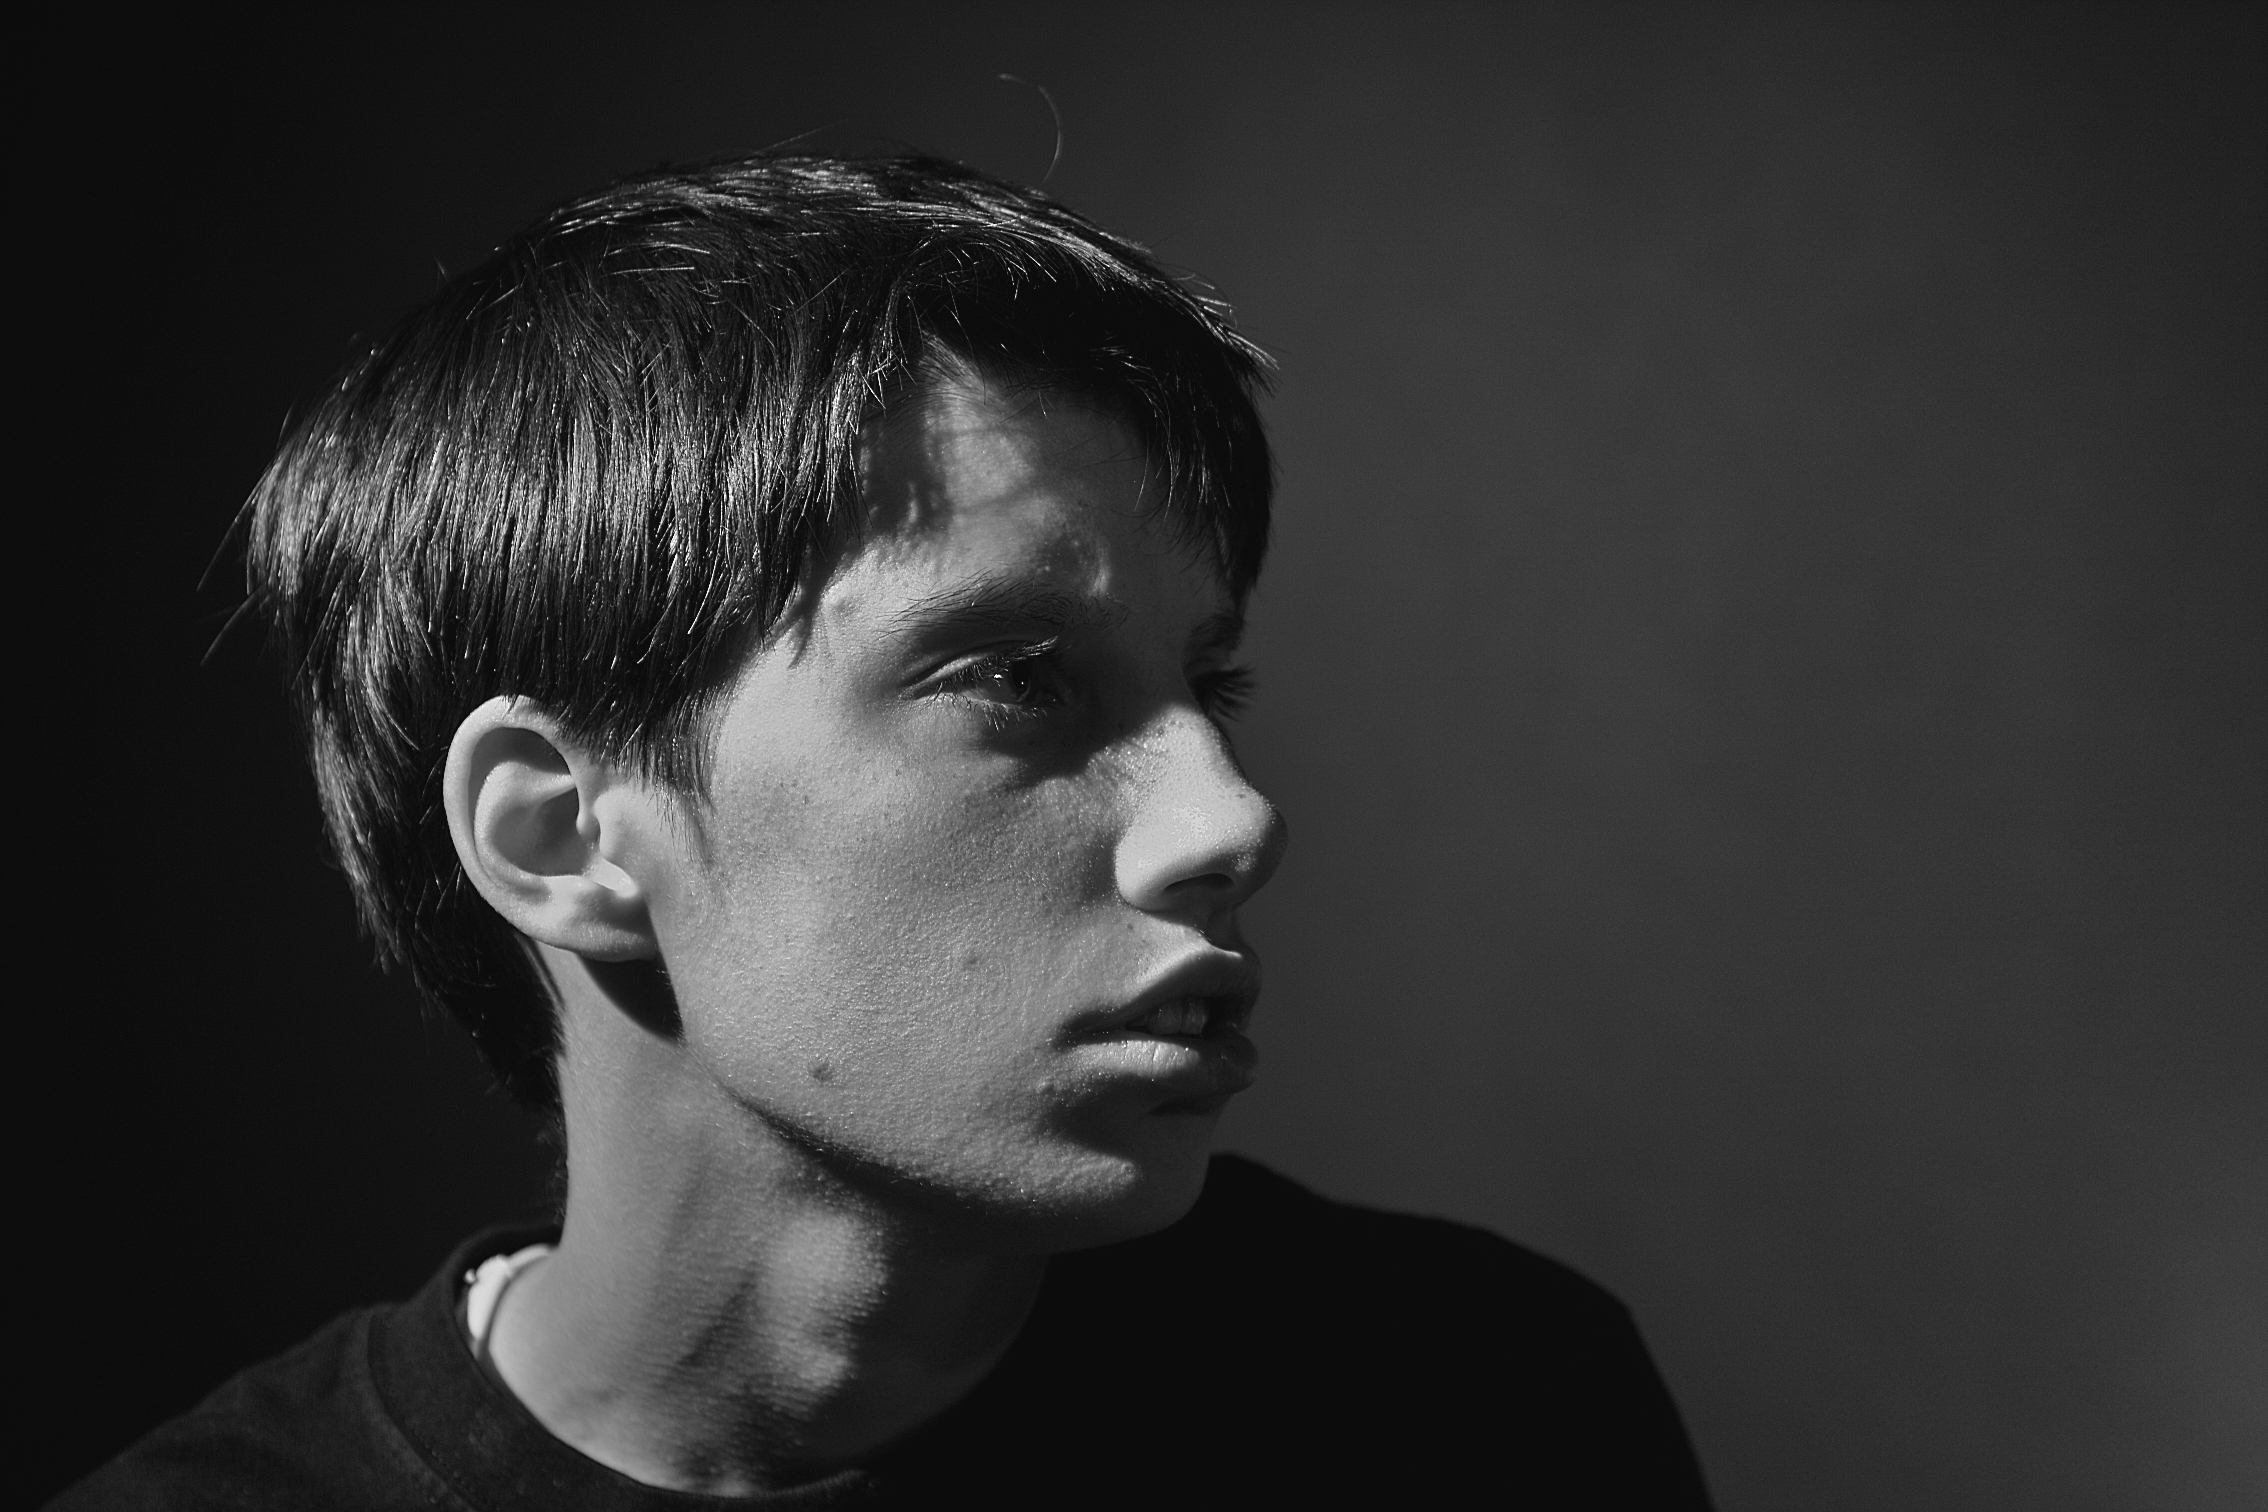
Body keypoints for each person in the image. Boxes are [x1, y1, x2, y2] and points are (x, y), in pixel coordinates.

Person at [56, 152, 1712, 1509]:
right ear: (562, 835)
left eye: (1209, 684)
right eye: (1018, 677)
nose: (1229, 818)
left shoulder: (1479, 1410)